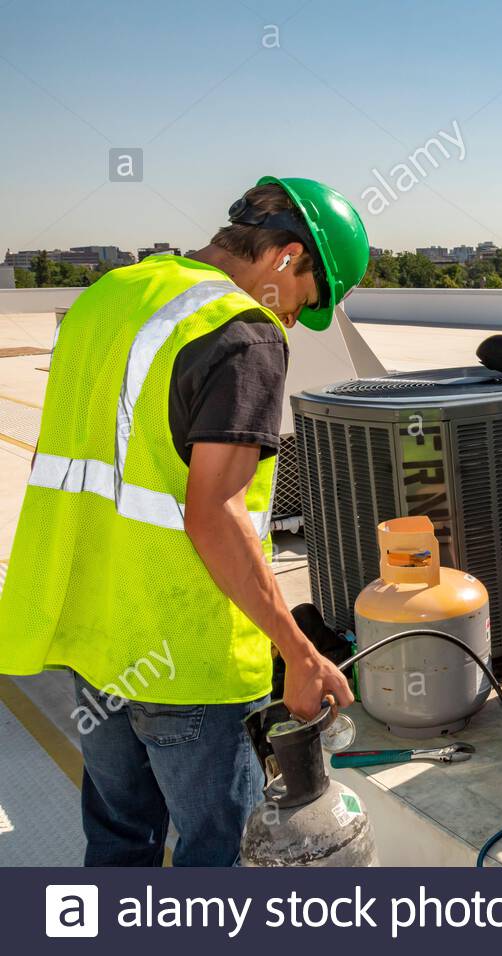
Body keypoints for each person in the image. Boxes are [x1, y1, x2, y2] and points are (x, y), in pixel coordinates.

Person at [0, 176, 370, 866]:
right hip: (183, 654)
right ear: (287, 259)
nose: (292, 320)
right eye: (304, 302)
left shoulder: (112, 294)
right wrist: (297, 652)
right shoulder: (241, 331)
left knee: (118, 837)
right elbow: (214, 515)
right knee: (215, 853)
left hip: (94, 636)